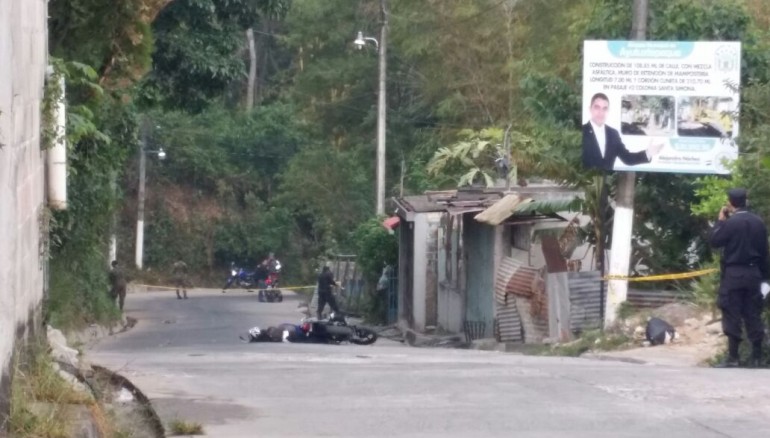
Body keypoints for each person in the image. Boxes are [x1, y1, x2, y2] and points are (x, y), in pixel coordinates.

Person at [710, 188, 769, 368]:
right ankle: (757, 357)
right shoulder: (759, 222)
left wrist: (720, 222)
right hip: (754, 274)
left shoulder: (730, 223)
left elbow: (714, 241)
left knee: (732, 312)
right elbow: (764, 253)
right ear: (746, 200)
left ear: (730, 203)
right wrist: (766, 279)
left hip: (734, 273)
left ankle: (733, 357)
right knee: (753, 313)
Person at [582, 92, 665, 171]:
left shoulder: (613, 133)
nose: (601, 112)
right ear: (590, 109)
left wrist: (648, 153)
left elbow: (627, 158)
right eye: (597, 107)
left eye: (604, 109)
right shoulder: (581, 131)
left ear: (608, 111)